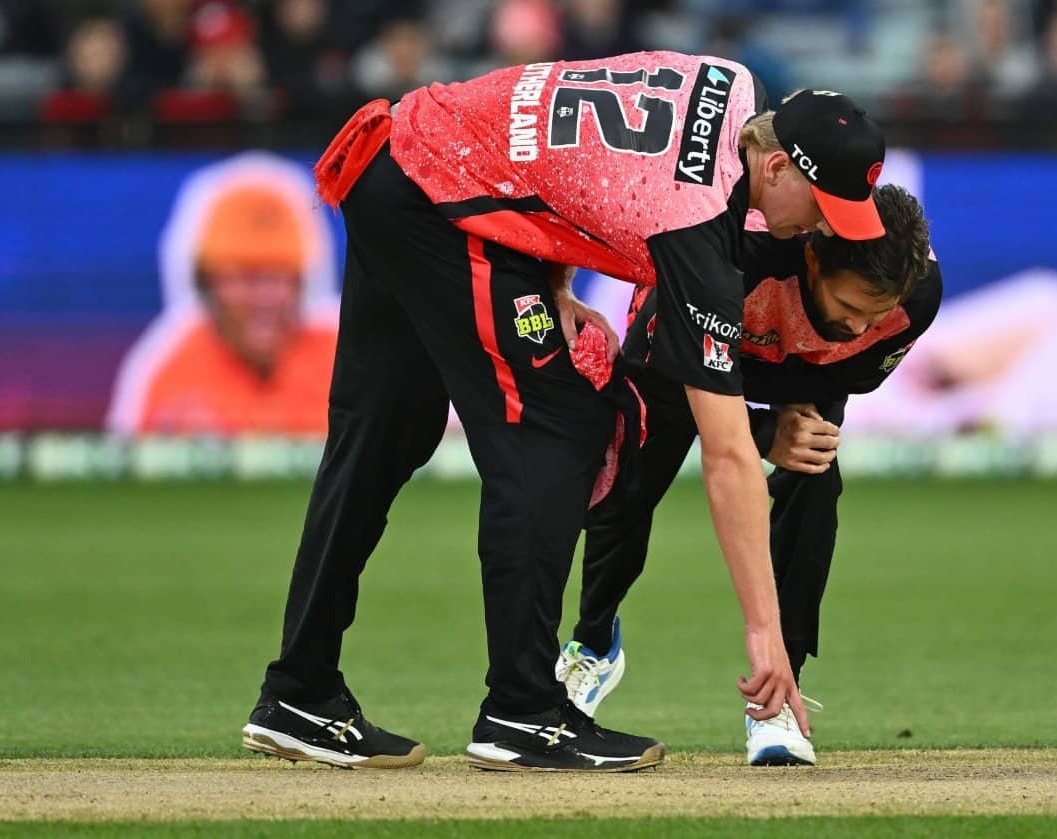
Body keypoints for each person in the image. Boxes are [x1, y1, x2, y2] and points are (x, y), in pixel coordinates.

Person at [241, 52, 887, 772]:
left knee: (381, 436)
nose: (822, 232)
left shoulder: (728, 80)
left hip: (401, 159)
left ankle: (299, 692)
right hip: (442, 201)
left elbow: (561, 137)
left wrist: (554, 281)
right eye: (825, 210)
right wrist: (766, 633)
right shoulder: (696, 217)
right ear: (775, 170)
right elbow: (730, 451)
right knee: (557, 430)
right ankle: (522, 712)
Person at [555, 184, 941, 765]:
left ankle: (778, 695)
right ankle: (593, 640)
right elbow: (658, 374)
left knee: (813, 476)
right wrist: (760, 435)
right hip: (682, 351)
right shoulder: (737, 255)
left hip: (801, 370)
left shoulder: (916, 300)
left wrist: (789, 423)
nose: (863, 326)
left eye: (876, 314)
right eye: (851, 306)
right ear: (813, 257)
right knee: (627, 487)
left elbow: (850, 370)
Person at [106, 151, 339, 436]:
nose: (264, 298)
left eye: (279, 276)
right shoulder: (168, 369)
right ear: (208, 284)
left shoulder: (347, 358)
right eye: (246, 277)